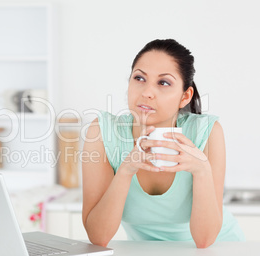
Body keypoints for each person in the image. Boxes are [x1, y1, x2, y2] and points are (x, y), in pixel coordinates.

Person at [81, 39, 245, 249]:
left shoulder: (207, 132)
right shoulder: (103, 132)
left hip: (219, 249)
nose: (147, 92)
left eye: (163, 83)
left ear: (185, 96)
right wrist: (125, 171)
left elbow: (204, 240)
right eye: (139, 78)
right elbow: (98, 237)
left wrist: (201, 170)